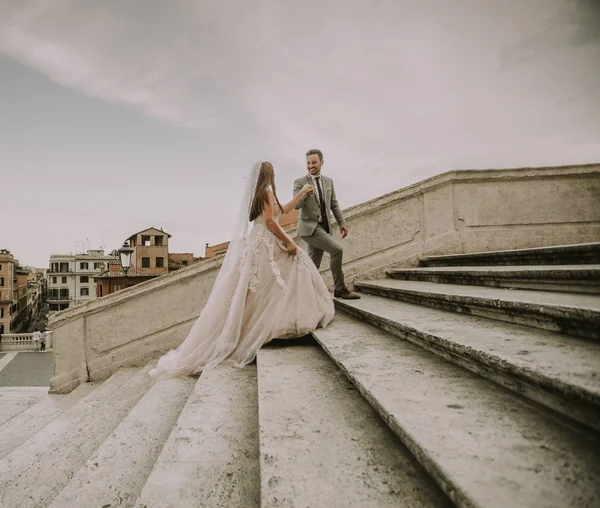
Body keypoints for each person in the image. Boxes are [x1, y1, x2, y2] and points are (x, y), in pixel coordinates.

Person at [149, 161, 335, 379]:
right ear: (268, 174)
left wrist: (302, 193)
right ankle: (271, 327)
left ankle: (274, 324)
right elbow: (270, 222)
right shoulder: (265, 192)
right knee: (282, 275)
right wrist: (289, 242)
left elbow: (282, 211)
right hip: (265, 244)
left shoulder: (263, 193)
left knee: (264, 288)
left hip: (259, 243)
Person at [293, 149, 360, 300]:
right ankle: (340, 288)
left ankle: (301, 295)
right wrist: (304, 195)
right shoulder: (300, 182)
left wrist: (342, 223)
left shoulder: (328, 181)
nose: (311, 166)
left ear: (322, 162)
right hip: (309, 228)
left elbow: (334, 204)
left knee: (312, 265)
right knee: (337, 251)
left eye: (314, 162)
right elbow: (296, 206)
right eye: (308, 163)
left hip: (324, 227)